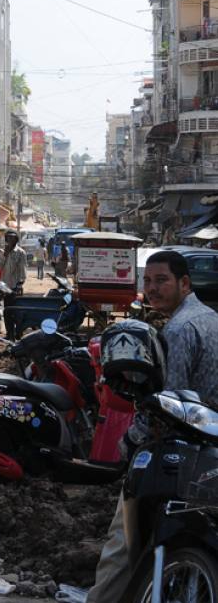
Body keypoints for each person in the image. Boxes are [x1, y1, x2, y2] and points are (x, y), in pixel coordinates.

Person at [87, 250, 218, 602]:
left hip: (177, 453)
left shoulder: (177, 330)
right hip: (209, 451)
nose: (152, 289)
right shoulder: (209, 318)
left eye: (161, 281)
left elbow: (167, 404)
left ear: (184, 283)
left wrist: (128, 444)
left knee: (121, 544)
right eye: (147, 281)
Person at [1, 230, 27, 340]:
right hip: (5, 287)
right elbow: (0, 267)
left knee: (17, 313)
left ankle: (19, 334)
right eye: (8, 238)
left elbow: (23, 271)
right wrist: (5, 255)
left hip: (15, 288)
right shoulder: (4, 252)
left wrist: (20, 284)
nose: (10, 240)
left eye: (12, 238)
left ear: (16, 239)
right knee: (7, 312)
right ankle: (9, 334)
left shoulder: (21, 253)